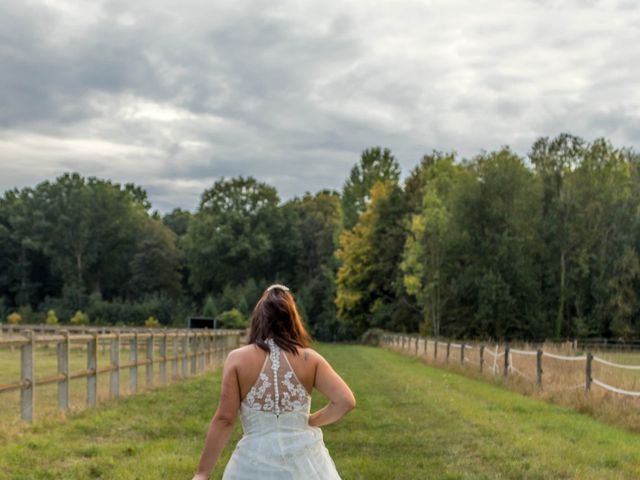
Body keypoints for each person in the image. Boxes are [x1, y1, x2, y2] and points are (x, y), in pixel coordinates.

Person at [191, 283, 356, 479]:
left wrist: (202, 473)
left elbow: (225, 420)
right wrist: (311, 420)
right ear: (292, 319)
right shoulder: (310, 359)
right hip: (305, 463)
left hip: (253, 460)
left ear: (258, 317)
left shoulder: (237, 359)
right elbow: (346, 401)